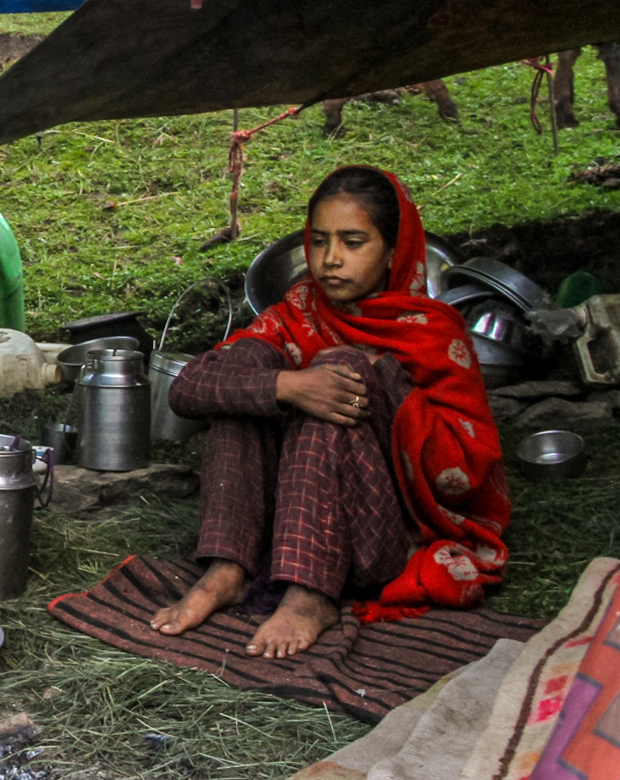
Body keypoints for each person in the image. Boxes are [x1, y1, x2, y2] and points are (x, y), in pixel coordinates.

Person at [150, 165, 508, 659]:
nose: (330, 259)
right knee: (247, 365)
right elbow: (187, 389)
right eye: (319, 241)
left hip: (382, 534)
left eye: (353, 242)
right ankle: (227, 569)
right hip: (289, 525)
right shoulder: (300, 309)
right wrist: (288, 385)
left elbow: (465, 474)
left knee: (340, 368)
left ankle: (312, 596)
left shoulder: (430, 333)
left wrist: (382, 389)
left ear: (392, 252)